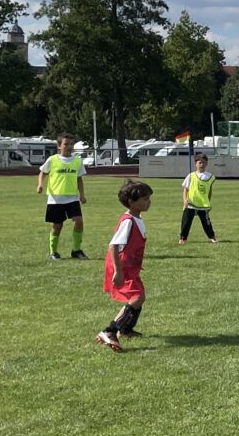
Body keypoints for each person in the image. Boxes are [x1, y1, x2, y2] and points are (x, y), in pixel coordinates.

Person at [97, 180, 153, 351]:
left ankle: (126, 329)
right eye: (144, 199)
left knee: (139, 296)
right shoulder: (128, 221)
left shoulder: (137, 218)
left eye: (149, 198)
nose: (148, 202)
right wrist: (118, 271)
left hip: (130, 266)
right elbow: (113, 246)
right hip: (122, 266)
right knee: (137, 297)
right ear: (131, 202)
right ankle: (110, 330)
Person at [36, 133, 88, 260]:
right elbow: (42, 172)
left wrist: (82, 194)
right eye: (66, 144)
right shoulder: (52, 160)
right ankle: (53, 252)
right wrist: (40, 185)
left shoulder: (77, 160)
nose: (69, 146)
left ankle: (76, 250)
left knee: (79, 222)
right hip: (55, 199)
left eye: (72, 144)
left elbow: (79, 179)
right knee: (57, 226)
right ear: (59, 146)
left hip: (72, 198)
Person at [180, 153, 218, 245]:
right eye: (200, 162)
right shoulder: (191, 176)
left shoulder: (210, 177)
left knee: (207, 223)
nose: (202, 164)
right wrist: (185, 200)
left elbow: (209, 191)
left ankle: (212, 237)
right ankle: (183, 238)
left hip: (203, 205)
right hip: (191, 203)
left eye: (204, 162)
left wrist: (208, 202)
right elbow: (185, 189)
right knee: (186, 222)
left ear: (207, 164)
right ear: (195, 164)